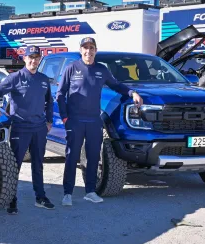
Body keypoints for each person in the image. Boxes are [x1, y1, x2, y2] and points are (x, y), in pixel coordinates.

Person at [56, 37, 143, 206]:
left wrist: (132, 93)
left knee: (93, 157)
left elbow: (117, 85)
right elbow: (60, 94)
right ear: (80, 50)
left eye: (91, 47)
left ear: (96, 50)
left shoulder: (101, 69)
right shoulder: (71, 68)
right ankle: (67, 193)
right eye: (85, 48)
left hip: (94, 121)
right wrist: (65, 117)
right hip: (75, 121)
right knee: (72, 156)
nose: (88, 51)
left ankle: (90, 191)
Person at [0, 45, 55, 214]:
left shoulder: (44, 79)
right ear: (24, 59)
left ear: (40, 60)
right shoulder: (15, 78)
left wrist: (49, 121)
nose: (33, 61)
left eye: (36, 58)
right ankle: (11, 199)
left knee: (38, 164)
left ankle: (40, 197)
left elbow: (49, 102)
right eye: (30, 57)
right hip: (21, 128)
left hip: (39, 128)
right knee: (14, 166)